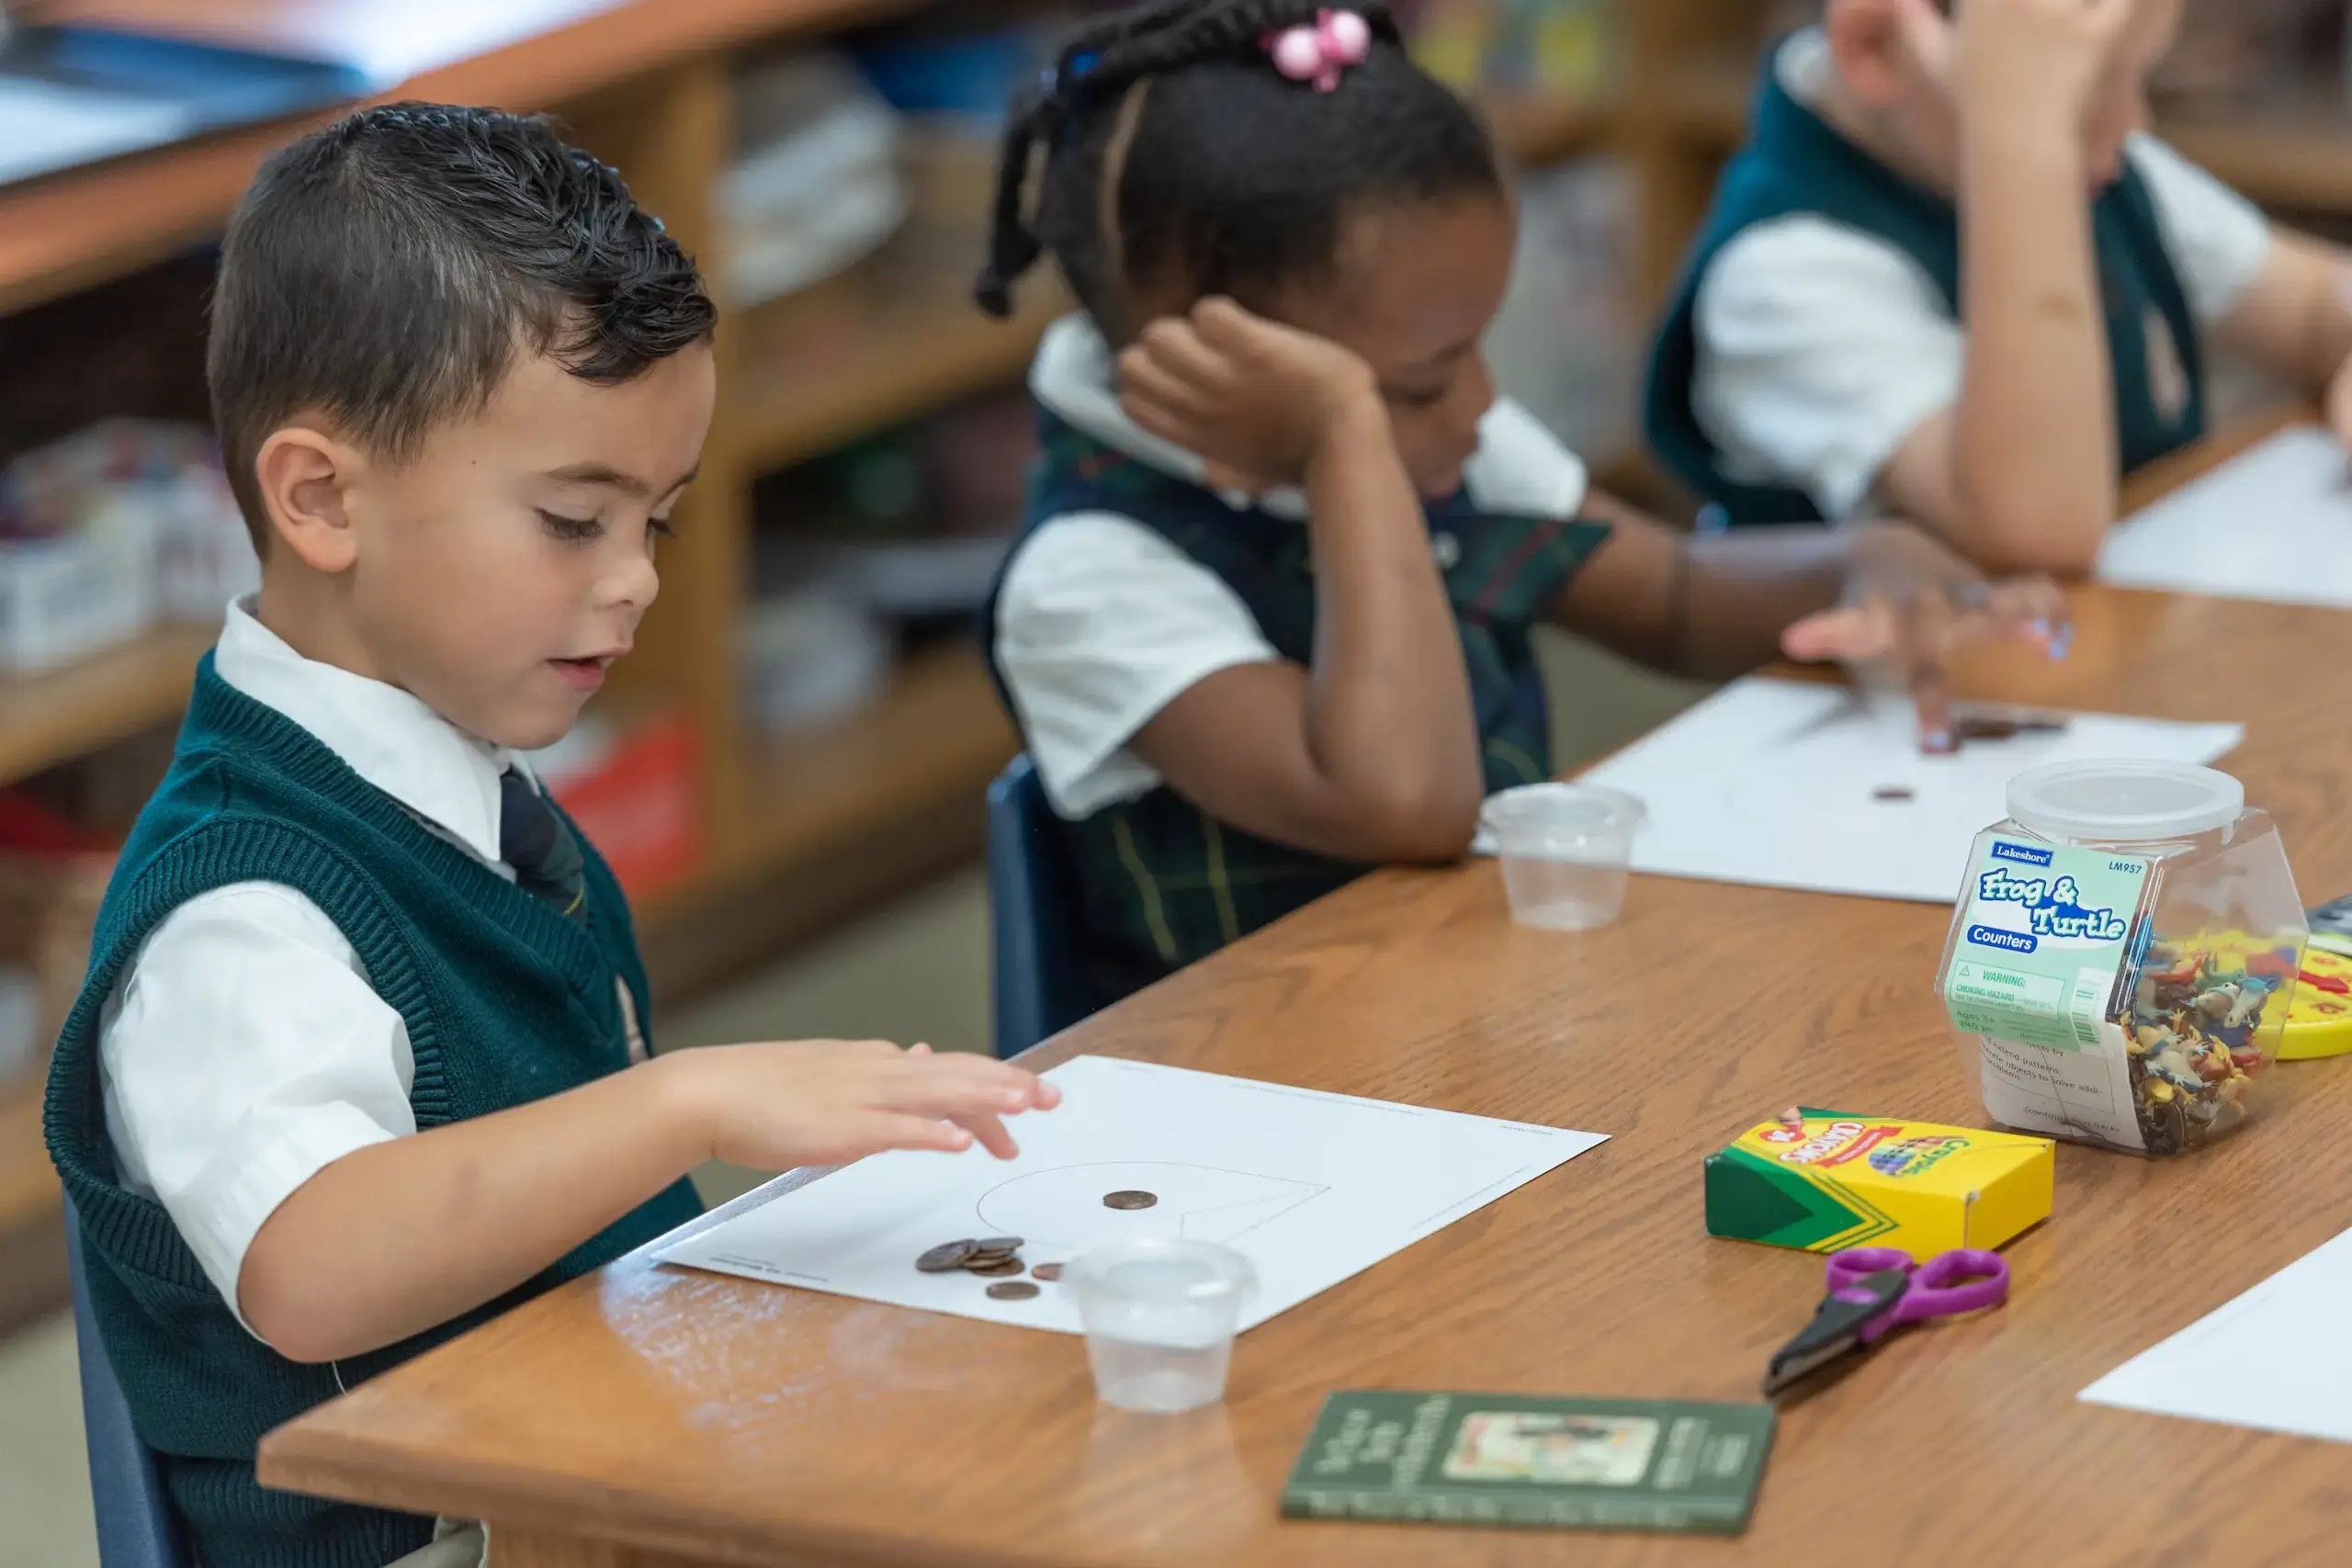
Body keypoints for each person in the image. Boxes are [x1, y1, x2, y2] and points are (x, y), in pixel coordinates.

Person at [43, 105, 1058, 1568]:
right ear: (320, 495)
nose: (638, 581)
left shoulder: (463, 774)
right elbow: (313, 1262)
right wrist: (687, 1104)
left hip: (601, 1463)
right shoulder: (240, 914)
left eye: (660, 519)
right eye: (575, 520)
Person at [973, 0, 2066, 1006]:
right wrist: (1345, 440)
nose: (1482, 405)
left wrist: (1862, 560)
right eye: (1422, 381)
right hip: (1256, 1106)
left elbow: (1675, 597)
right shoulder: (1092, 575)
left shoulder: (1443, 441)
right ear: (1221, 367)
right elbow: (1405, 801)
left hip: (1494, 1019)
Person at [1645, 0, 2352, 569]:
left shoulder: (2102, 168)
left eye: (2136, 77)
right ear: (1877, 47)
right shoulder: (1782, 278)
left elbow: (2319, 306)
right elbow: (2037, 527)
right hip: (1916, 721)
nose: (2132, 122)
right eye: (2089, 89)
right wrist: (2024, 129)